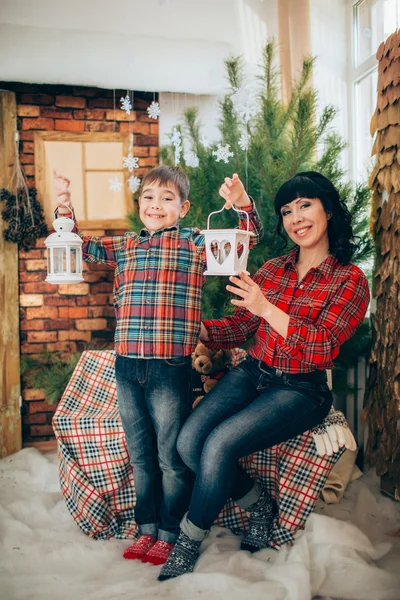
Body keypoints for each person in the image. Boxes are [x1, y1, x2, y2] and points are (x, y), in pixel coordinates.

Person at [158, 171, 370, 581]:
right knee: (188, 442)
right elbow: (242, 327)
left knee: (218, 444)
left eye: (305, 205)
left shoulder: (350, 279)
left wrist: (267, 309)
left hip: (301, 388)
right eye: (287, 211)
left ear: (328, 208)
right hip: (254, 371)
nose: (296, 218)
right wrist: (198, 329)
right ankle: (260, 506)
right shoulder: (274, 269)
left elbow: (323, 346)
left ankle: (188, 540)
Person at [53, 166, 263, 566]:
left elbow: (246, 238)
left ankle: (169, 530)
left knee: (170, 457)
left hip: (170, 366)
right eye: (149, 197)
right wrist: (64, 206)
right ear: (139, 205)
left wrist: (241, 204)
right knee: (141, 456)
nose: (156, 205)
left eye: (167, 199)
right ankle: (145, 527)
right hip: (127, 364)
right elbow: (80, 243)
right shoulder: (128, 245)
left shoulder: (195, 243)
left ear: (183, 208)